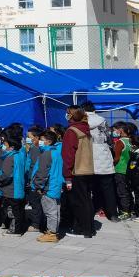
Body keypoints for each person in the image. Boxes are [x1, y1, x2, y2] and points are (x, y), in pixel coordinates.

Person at [61, 105, 96, 238]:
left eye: (67, 113)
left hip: (77, 170)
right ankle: (89, 228)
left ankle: (82, 230)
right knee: (86, 200)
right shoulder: (85, 129)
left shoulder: (72, 131)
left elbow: (68, 155)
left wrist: (67, 174)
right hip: (88, 169)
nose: (66, 115)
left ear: (71, 115)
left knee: (78, 202)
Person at [83, 102, 118, 221]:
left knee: (88, 187)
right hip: (103, 155)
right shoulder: (102, 120)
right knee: (108, 187)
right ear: (94, 110)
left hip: (87, 155)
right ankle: (112, 214)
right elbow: (109, 138)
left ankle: (91, 210)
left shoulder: (82, 121)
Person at [32, 130, 63, 243]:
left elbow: (42, 172)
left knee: (50, 211)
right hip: (56, 184)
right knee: (55, 210)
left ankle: (51, 233)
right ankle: (53, 231)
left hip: (48, 186)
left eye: (42, 140)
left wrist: (38, 186)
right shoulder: (56, 152)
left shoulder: (46, 154)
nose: (39, 142)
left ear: (49, 141)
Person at [0, 130, 28, 235]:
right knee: (18, 209)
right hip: (18, 187)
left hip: (11, 188)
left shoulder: (9, 158)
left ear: (12, 147)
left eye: (6, 145)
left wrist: (0, 181)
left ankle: (15, 230)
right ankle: (19, 228)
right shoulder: (20, 155)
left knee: (12, 210)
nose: (4, 147)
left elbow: (6, 175)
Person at [112, 122, 134, 220]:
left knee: (122, 192)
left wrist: (111, 164)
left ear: (121, 130)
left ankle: (125, 211)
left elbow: (116, 158)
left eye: (115, 129)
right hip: (130, 170)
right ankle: (131, 210)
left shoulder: (120, 142)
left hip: (120, 170)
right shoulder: (132, 141)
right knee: (128, 191)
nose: (115, 132)